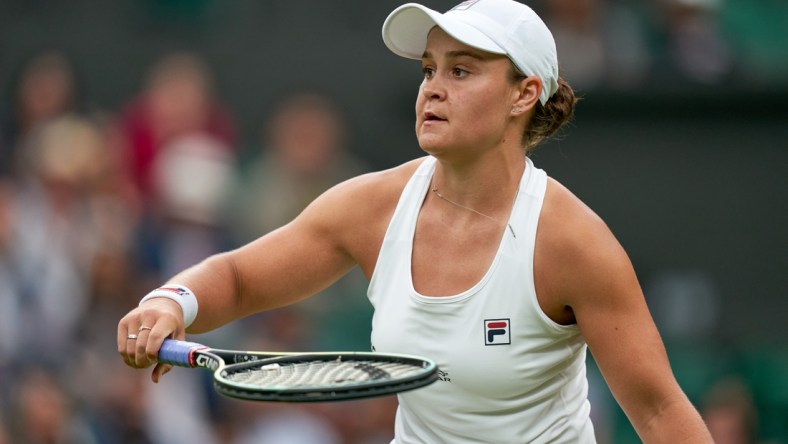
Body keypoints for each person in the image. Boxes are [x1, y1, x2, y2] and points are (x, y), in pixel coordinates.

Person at [118, 0, 714, 442]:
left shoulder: (572, 243)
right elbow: (243, 279)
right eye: (429, 69)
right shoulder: (371, 207)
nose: (432, 88)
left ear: (523, 93)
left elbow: (660, 412)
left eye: (461, 71)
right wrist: (171, 302)